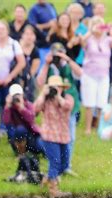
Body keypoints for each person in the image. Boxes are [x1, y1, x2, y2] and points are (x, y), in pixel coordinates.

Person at [37, 42, 82, 177]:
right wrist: (46, 63)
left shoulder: (68, 65)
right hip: (52, 107)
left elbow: (80, 74)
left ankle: (66, 166)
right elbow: (39, 82)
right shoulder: (48, 66)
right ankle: (56, 169)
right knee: (53, 137)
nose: (57, 57)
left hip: (69, 105)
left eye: (59, 53)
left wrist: (67, 59)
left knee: (70, 137)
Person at [34, 75, 73, 198]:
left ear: (62, 88)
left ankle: (48, 178)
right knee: (55, 162)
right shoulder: (45, 100)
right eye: (53, 87)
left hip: (63, 136)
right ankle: (53, 191)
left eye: (58, 87)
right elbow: (34, 110)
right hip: (49, 136)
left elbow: (67, 107)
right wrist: (43, 94)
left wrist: (57, 96)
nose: (56, 89)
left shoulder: (67, 97)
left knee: (64, 164)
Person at [80, 16, 112, 135]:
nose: (99, 27)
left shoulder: (107, 39)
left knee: (101, 102)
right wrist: (91, 31)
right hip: (90, 73)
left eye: (100, 25)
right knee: (89, 102)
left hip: (103, 74)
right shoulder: (89, 38)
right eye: (96, 24)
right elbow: (82, 42)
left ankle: (98, 127)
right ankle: (87, 128)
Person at [3, 84, 43, 184]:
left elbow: (31, 118)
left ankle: (33, 154)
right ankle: (21, 153)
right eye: (14, 96)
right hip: (18, 136)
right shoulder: (10, 107)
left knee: (40, 147)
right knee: (20, 129)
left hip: (31, 135)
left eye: (18, 95)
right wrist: (7, 106)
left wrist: (21, 107)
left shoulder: (27, 104)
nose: (16, 98)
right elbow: (6, 121)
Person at [27, 0, 57, 65]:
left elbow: (56, 21)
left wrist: (51, 32)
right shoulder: (34, 9)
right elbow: (33, 26)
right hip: (41, 45)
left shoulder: (51, 6)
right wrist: (47, 25)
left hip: (52, 42)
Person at [19, 25, 41, 102]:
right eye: (27, 34)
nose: (29, 37)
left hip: (29, 77)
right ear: (22, 35)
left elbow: (33, 71)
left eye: (31, 34)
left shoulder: (35, 50)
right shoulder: (17, 47)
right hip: (16, 74)